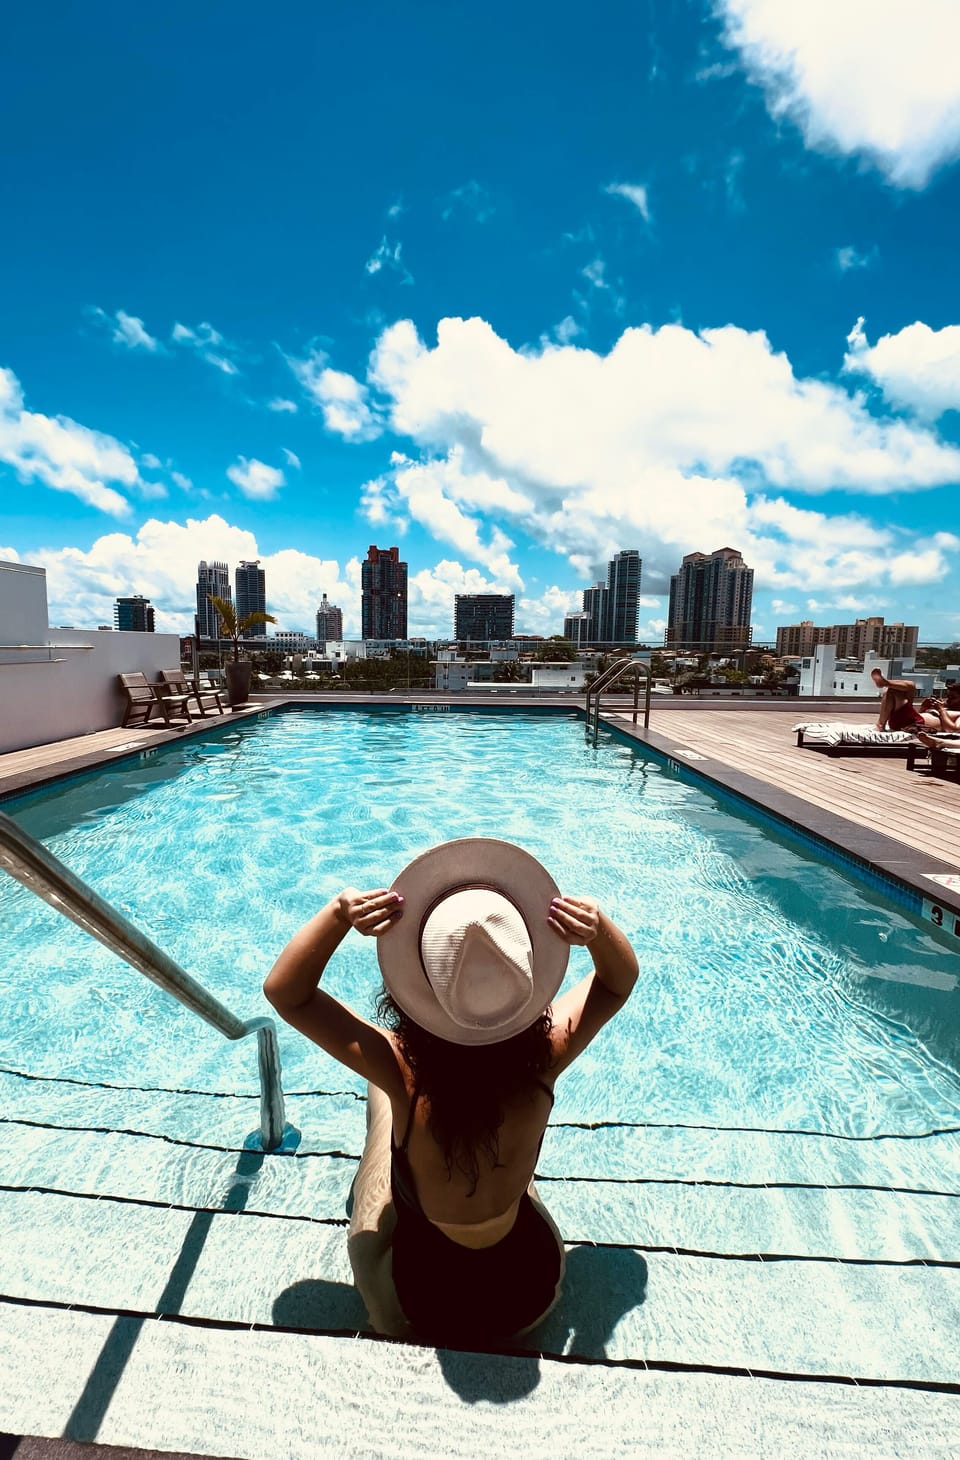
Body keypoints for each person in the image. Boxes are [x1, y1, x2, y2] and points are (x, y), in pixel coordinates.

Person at [263, 837, 638, 1346]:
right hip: (534, 1295)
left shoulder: (402, 1070)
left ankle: (384, 1318)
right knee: (512, 1186)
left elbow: (286, 993)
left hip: (425, 1306)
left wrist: (338, 913)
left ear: (419, 982)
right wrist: (598, 927)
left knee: (378, 1143)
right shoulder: (546, 1057)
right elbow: (617, 982)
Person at [871, 668, 944, 732]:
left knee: (908, 686)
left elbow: (952, 728)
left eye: (952, 697)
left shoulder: (952, 713)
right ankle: (885, 683)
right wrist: (924, 707)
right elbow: (921, 714)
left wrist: (941, 710)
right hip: (910, 720)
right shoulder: (944, 709)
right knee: (895, 690)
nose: (948, 699)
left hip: (915, 723)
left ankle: (880, 724)